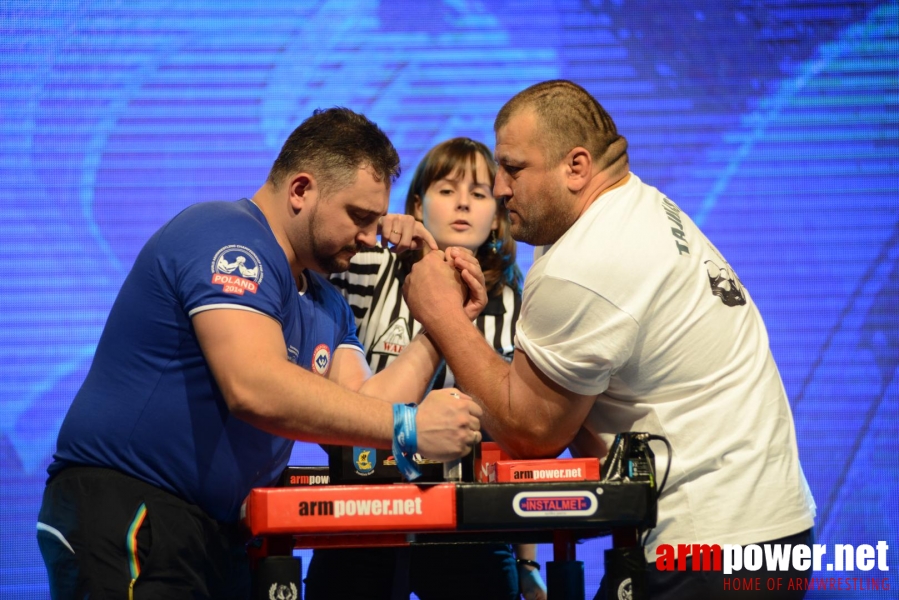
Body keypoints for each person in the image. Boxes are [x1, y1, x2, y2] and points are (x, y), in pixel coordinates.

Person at [36, 108, 485, 600]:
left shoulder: (326, 301)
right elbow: (254, 386)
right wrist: (410, 427)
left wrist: (441, 324)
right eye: (358, 217)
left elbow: (365, 410)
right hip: (130, 505)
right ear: (300, 190)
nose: (368, 238)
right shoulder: (225, 236)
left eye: (376, 222)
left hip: (219, 533)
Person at [402, 81, 817, 599]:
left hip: (711, 541)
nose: (500, 187)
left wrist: (442, 316)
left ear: (576, 167)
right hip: (761, 526)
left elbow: (532, 432)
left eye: (513, 168)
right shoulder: (635, 206)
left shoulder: (588, 261)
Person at [305, 138, 547, 600]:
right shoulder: (371, 269)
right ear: (416, 204)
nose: (462, 203)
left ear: (497, 217)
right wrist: (381, 229)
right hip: (360, 516)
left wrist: (528, 561)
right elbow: (310, 295)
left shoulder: (520, 303)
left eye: (479, 194)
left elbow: (516, 445)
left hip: (471, 526)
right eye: (447, 189)